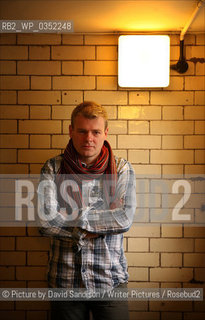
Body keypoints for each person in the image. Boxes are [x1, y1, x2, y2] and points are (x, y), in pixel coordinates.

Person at [38, 101, 136, 320]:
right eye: (82, 131)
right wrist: (100, 224)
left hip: (110, 280)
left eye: (95, 132)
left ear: (106, 132)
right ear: (71, 130)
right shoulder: (53, 168)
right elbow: (45, 223)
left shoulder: (121, 169)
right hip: (65, 280)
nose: (88, 138)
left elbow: (124, 219)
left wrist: (70, 219)